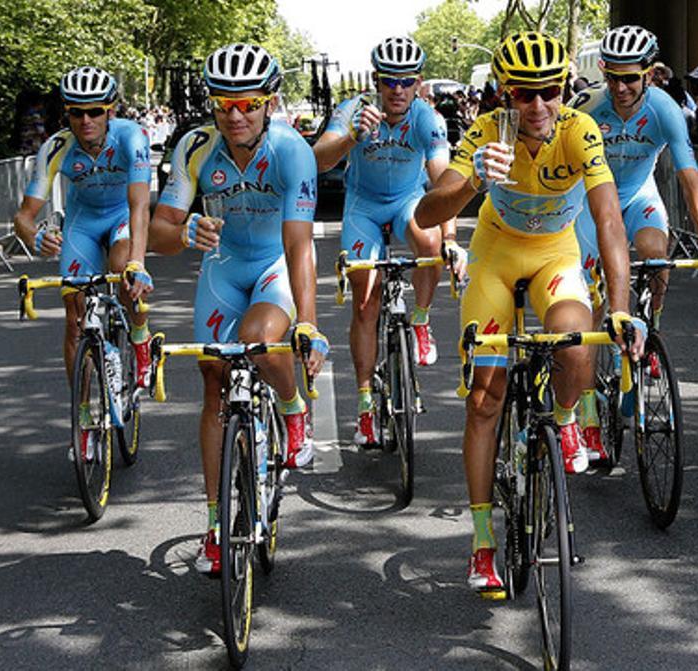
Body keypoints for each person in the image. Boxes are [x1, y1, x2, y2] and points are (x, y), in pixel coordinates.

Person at [413, 32, 644, 595]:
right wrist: (473, 181)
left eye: (550, 90)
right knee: (485, 400)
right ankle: (483, 541)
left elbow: (609, 220)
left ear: (564, 89)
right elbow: (425, 211)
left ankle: (566, 421)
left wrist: (620, 310)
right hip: (495, 256)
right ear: (504, 94)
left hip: (554, 254)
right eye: (523, 94)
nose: (538, 105)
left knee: (575, 336)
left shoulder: (578, 130)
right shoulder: (489, 131)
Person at [147, 43, 328, 575]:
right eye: (224, 103)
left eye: (248, 103)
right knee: (212, 376)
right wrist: (183, 231)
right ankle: (214, 526)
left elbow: (299, 245)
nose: (235, 115)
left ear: (269, 102)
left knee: (259, 339)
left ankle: (293, 410)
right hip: (222, 271)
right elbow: (158, 234)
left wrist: (309, 324)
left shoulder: (292, 151)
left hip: (273, 264)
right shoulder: (195, 147)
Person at [568, 25, 698, 461]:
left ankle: (648, 327)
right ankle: (589, 414)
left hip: (637, 196)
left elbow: (691, 179)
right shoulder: (587, 106)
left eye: (630, 77)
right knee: (592, 300)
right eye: (612, 76)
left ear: (649, 75)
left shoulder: (665, 109)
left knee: (657, 258)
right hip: (591, 202)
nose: (620, 87)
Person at [312, 37, 456, 447]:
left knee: (429, 244)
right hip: (363, 207)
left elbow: (443, 182)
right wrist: (352, 136)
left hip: (408, 201)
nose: (397, 89)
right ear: (376, 81)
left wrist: (450, 239)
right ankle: (363, 406)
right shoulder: (354, 111)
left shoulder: (427, 119)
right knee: (365, 302)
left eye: (406, 81)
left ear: (418, 83)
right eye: (389, 81)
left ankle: (422, 322)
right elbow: (319, 159)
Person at [13, 67, 155, 461]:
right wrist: (34, 237)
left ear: (110, 110)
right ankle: (84, 417)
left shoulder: (132, 136)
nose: (86, 120)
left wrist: (139, 262)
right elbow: (23, 216)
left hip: (122, 217)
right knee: (75, 315)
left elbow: (140, 204)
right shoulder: (56, 147)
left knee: (124, 268)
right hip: (82, 223)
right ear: (67, 115)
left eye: (95, 111)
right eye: (77, 113)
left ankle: (139, 336)